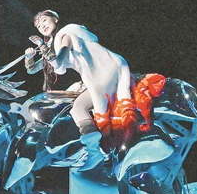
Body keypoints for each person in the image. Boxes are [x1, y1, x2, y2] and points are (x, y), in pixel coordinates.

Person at [25, 10, 135, 170]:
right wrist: (29, 57)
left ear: (55, 19)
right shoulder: (53, 45)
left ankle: (95, 150)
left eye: (44, 21)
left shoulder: (66, 36)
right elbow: (33, 69)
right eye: (39, 26)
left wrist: (42, 47)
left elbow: (57, 62)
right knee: (69, 99)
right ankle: (94, 146)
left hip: (102, 73)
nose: (42, 26)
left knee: (77, 108)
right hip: (93, 76)